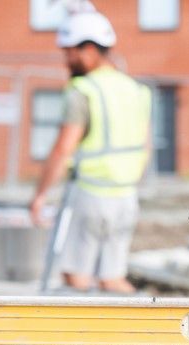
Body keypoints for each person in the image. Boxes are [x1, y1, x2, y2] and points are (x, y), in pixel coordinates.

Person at [30, 4, 152, 293]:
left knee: (76, 277)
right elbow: (145, 146)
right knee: (111, 278)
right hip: (126, 197)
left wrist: (40, 196)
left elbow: (62, 150)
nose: (66, 60)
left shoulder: (83, 91)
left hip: (90, 196)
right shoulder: (136, 90)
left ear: (88, 50)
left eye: (69, 52)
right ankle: (135, 329)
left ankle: (80, 337)